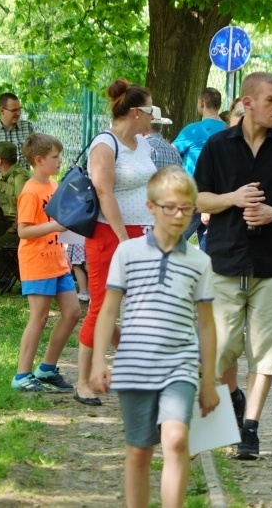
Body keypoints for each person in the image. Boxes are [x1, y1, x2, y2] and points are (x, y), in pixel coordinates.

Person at [194, 71, 272, 460]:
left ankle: (250, 428)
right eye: (271, 100)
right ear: (247, 103)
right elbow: (199, 199)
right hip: (226, 260)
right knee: (221, 350)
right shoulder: (218, 145)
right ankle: (233, 396)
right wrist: (231, 198)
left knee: (267, 351)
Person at [89, 165, 220, 508]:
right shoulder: (128, 253)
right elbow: (108, 311)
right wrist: (99, 361)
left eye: (186, 208)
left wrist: (208, 381)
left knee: (176, 441)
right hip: (134, 367)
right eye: (170, 207)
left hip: (180, 366)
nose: (178, 216)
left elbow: (207, 324)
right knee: (139, 450)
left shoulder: (200, 261)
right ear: (151, 207)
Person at [76, 79, 157, 406]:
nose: (154, 116)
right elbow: (104, 191)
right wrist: (124, 238)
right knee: (101, 307)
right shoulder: (105, 144)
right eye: (151, 109)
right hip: (110, 235)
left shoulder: (143, 143)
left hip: (146, 232)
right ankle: (83, 382)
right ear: (136, 112)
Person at [12, 133, 81, 392]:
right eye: (55, 156)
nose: (60, 160)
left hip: (58, 261)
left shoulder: (54, 186)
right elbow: (23, 230)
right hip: (37, 263)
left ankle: (47, 369)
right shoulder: (30, 192)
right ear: (39, 160)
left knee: (73, 313)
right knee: (39, 318)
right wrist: (54, 226)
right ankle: (21, 376)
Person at [173, 87, 226, 243]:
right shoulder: (229, 130)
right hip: (220, 199)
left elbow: (171, 152)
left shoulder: (193, 130)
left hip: (192, 197)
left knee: (172, 243)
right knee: (209, 247)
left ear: (202, 103)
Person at [0, 141, 31, 287]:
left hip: (23, 226)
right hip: (8, 223)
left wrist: (16, 227)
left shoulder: (20, 176)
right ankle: (3, 279)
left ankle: (27, 280)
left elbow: (24, 204)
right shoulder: (1, 177)